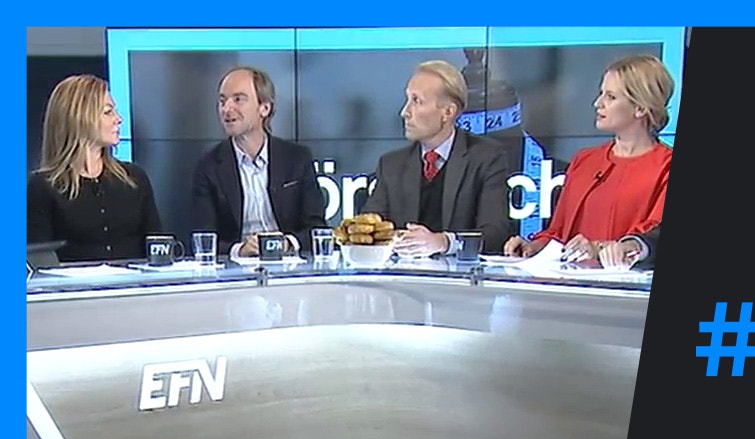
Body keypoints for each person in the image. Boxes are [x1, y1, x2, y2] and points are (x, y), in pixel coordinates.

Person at [503, 55, 674, 269]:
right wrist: (533, 247)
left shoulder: (666, 166)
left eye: (611, 97)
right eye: (601, 93)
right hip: (571, 284)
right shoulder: (585, 160)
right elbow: (558, 233)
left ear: (640, 108)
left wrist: (599, 249)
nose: (598, 103)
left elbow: (652, 238)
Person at [361, 60, 513, 257]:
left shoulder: (486, 158)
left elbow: (495, 233)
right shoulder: (391, 165)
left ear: (447, 112)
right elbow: (369, 229)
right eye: (408, 99)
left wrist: (444, 242)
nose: (405, 112)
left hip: (462, 275)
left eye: (417, 101)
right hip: (404, 273)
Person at [191, 66, 327, 257]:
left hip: (288, 266)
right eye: (222, 101)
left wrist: (286, 243)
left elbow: (317, 229)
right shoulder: (209, 166)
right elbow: (202, 239)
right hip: (236, 269)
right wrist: (240, 249)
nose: (227, 109)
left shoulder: (297, 159)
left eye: (238, 99)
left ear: (264, 108)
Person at [27, 74, 162, 261]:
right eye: (108, 112)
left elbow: (158, 249)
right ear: (79, 118)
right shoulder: (43, 186)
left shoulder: (134, 178)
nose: (119, 119)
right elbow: (39, 262)